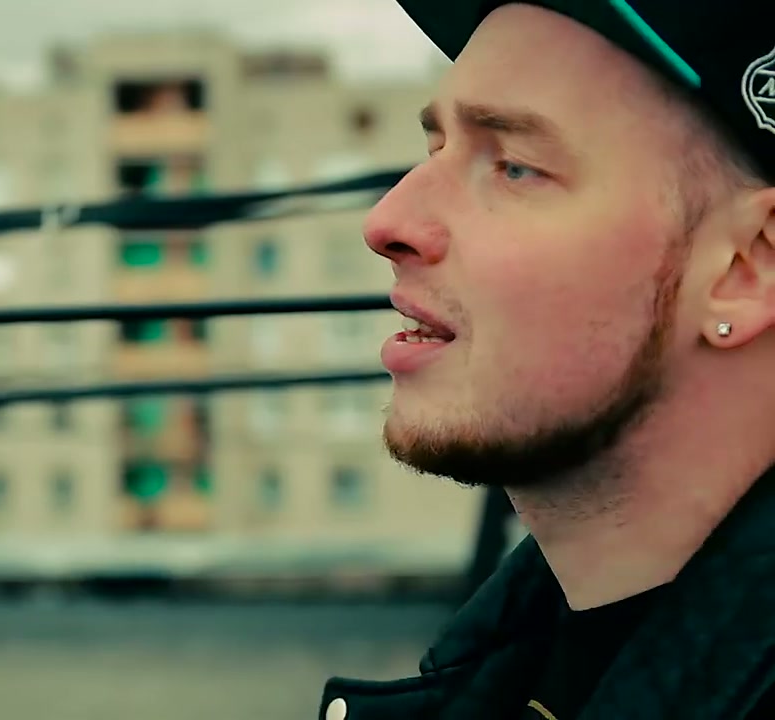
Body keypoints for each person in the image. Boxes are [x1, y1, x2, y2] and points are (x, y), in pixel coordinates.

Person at [318, 2, 775, 719]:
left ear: (747, 268)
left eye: (514, 167)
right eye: (436, 150)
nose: (388, 222)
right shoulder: (500, 665)